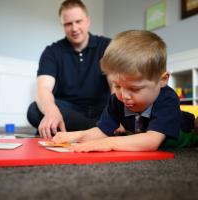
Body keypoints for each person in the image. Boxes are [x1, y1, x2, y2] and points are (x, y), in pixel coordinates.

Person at [52, 30, 198, 152]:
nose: (124, 95)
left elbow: (151, 141)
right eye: (117, 86)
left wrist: (109, 143)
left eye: (135, 89)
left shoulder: (167, 98)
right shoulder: (117, 99)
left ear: (162, 80)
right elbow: (102, 131)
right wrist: (76, 136)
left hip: (188, 130)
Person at [27, 0, 111, 138]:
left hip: (102, 111)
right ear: (62, 25)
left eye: (78, 21)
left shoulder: (107, 45)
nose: (74, 28)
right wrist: (52, 111)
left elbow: (116, 84)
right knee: (34, 110)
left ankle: (89, 130)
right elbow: (43, 88)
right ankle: (97, 131)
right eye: (68, 24)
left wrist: (117, 114)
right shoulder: (51, 51)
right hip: (69, 111)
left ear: (88, 20)